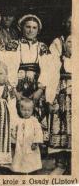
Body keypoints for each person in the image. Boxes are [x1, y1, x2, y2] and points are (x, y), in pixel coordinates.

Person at [2, 14, 60, 141]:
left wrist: (40, 90)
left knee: (36, 114)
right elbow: (6, 68)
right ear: (21, 28)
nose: (30, 30)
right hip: (17, 86)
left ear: (38, 30)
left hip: (36, 87)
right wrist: (14, 91)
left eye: (34, 28)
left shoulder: (42, 47)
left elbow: (48, 70)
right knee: (16, 112)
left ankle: (35, 146)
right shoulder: (13, 45)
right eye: (27, 27)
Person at [49, 30, 72, 175]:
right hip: (61, 101)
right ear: (64, 44)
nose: (72, 45)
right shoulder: (59, 61)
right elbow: (52, 81)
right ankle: (61, 164)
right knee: (60, 131)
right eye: (69, 42)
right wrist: (51, 99)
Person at [11, 98, 43, 174]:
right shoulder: (18, 120)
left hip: (31, 144)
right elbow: (13, 131)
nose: (26, 112)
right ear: (20, 110)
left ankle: (32, 171)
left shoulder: (34, 120)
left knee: (31, 158)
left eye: (29, 110)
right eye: (24, 110)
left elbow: (38, 131)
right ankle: (20, 171)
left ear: (32, 110)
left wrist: (36, 142)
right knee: (20, 158)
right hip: (20, 144)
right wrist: (14, 140)